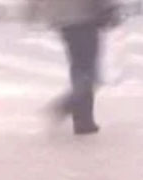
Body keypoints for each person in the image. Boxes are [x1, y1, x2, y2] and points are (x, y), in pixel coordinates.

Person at [36, 0, 121, 135]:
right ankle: (67, 106)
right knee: (89, 73)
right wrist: (109, 9)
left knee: (79, 68)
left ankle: (83, 119)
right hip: (85, 19)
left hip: (64, 21)